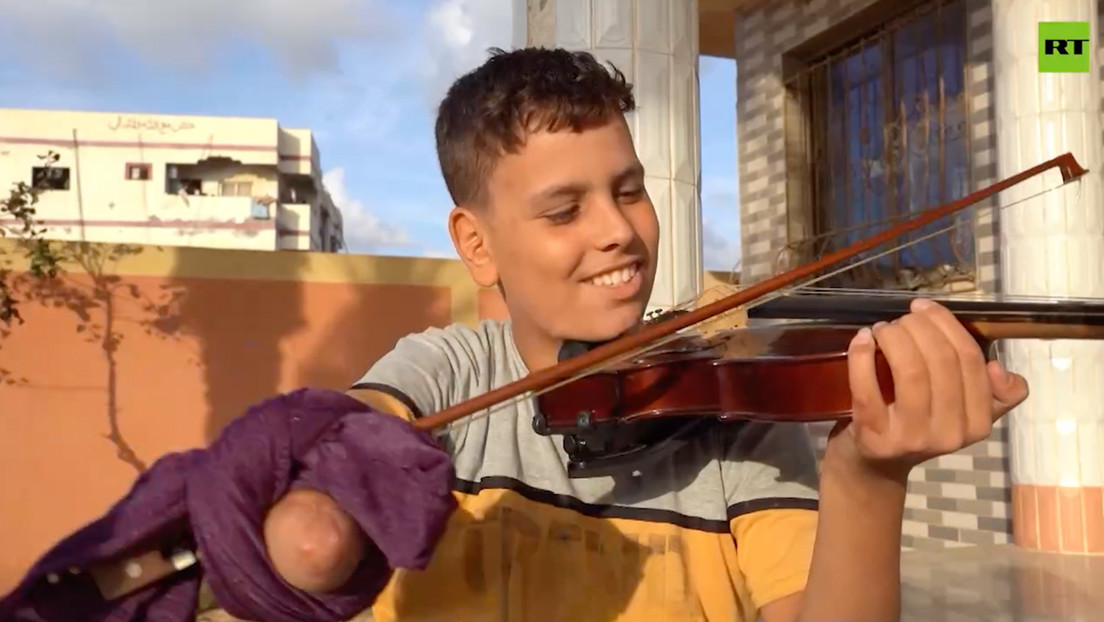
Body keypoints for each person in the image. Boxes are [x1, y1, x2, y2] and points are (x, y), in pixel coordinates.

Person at [262, 47, 1029, 622]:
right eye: (565, 211)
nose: (619, 233)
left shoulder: (738, 427)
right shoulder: (444, 374)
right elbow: (331, 485)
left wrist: (868, 478)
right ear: (477, 243)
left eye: (629, 191)